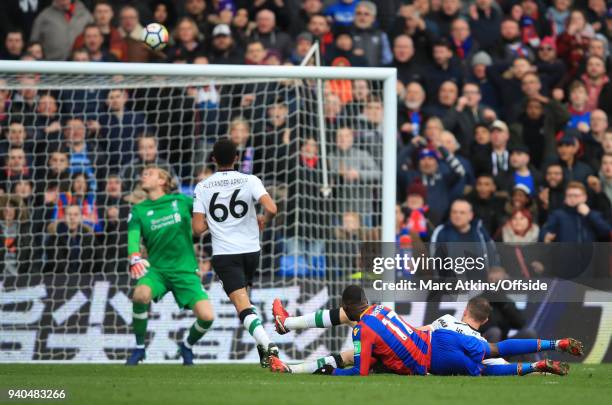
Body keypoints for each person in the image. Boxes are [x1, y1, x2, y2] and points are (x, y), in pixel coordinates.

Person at [271, 285, 582, 376]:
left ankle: (294, 366)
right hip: (439, 347)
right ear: (484, 321)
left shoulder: (444, 320)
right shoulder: (382, 309)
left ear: (463, 311)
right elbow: (499, 361)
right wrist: (531, 369)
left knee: (348, 360)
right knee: (493, 356)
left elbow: (416, 329)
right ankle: (551, 347)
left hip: (429, 351)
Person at [192, 139, 279, 367]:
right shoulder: (250, 180)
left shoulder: (202, 187)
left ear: (213, 159)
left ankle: (267, 343)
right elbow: (271, 208)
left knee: (242, 305)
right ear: (237, 158)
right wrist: (263, 219)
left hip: (225, 253)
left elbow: (197, 228)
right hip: (252, 251)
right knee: (245, 300)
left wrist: (216, 222)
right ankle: (262, 347)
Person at [125, 166, 214, 366]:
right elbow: (132, 241)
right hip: (157, 271)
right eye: (144, 173)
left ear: (162, 181)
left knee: (207, 317)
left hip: (185, 271)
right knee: (140, 294)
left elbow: (207, 212)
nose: (143, 175)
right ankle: (139, 348)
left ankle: (187, 345)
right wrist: (135, 257)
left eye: (150, 173)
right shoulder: (138, 211)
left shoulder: (181, 201)